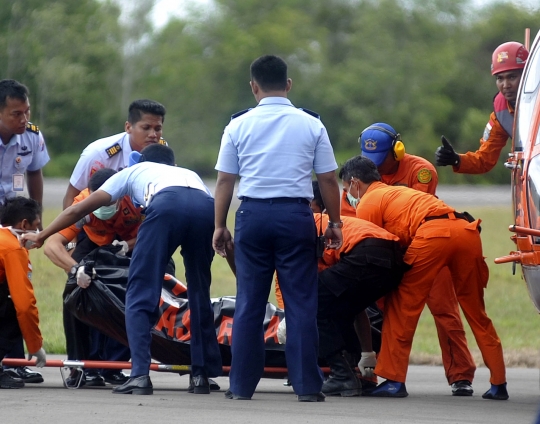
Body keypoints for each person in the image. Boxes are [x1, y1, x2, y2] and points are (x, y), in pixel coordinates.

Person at [23, 144, 222, 395]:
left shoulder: (132, 171)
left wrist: (41, 235)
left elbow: (76, 209)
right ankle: (200, 375)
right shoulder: (188, 174)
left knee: (140, 292)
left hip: (167, 205)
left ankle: (139, 375)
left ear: (138, 161)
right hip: (206, 207)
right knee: (199, 294)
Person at [212, 54, 343, 402]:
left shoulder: (237, 125)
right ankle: (307, 387)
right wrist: (335, 221)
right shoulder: (311, 124)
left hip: (252, 216)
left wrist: (219, 226)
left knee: (249, 303)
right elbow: (328, 179)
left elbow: (226, 180)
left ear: (253, 86)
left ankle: (240, 386)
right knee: (300, 303)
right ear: (288, 85)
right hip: (295, 216)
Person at [341, 155, 508, 400]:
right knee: (476, 313)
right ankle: (499, 383)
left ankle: (394, 380)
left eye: (346, 190)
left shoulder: (368, 201)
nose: (348, 195)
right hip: (465, 229)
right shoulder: (399, 193)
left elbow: (371, 249)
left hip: (432, 235)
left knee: (401, 306)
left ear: (355, 183)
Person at [357, 123, 476, 396]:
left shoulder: (421, 171)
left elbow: (414, 215)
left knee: (445, 312)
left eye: (381, 160)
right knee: (385, 314)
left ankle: (460, 375)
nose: (376, 167)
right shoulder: (361, 176)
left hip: (426, 250)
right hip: (388, 254)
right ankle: (381, 375)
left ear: (397, 151)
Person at [310, 181, 408, 398]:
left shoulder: (307, 223)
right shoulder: (327, 221)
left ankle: (343, 375)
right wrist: (367, 352)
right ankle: (356, 374)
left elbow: (304, 291)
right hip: (393, 259)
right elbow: (356, 308)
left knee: (311, 301)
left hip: (366, 253)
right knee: (341, 307)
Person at [44, 168, 140, 387]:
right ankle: (79, 366)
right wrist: (75, 269)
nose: (101, 210)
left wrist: (128, 245)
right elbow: (52, 246)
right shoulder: (83, 204)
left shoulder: (135, 200)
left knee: (130, 296)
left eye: (106, 205)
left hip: (129, 243)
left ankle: (113, 366)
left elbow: (151, 232)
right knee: (75, 294)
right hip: (91, 242)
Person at [0, 79, 49, 384]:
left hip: (16, 216)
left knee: (12, 291)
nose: (23, 120)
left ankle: (14, 361)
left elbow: (35, 173)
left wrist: (37, 217)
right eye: (15, 114)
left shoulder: (31, 137)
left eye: (26, 112)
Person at [435, 41, 529, 173]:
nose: (505, 85)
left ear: (527, 76)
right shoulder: (501, 115)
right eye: (500, 78)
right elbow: (484, 160)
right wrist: (455, 159)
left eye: (512, 77)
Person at [63, 99, 167, 209]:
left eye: (158, 129)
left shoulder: (162, 150)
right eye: (146, 128)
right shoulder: (98, 154)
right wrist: (71, 226)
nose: (153, 135)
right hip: (97, 220)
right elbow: (72, 196)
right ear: (128, 127)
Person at [0, 197, 46, 389]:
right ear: (24, 224)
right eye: (36, 227)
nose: (38, 233)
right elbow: (24, 304)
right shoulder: (12, 248)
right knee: (12, 307)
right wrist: (35, 345)